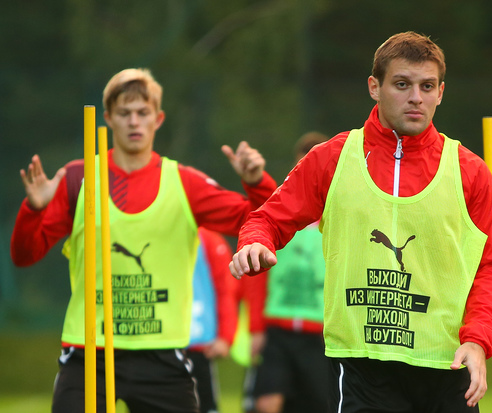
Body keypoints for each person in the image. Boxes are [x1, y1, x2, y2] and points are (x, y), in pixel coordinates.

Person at [229, 31, 492, 412]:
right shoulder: (331, 158)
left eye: (427, 86)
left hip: (446, 364)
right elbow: (268, 218)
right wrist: (256, 240)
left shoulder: (469, 171)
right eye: (402, 84)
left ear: (441, 92)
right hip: (361, 367)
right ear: (374, 87)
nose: (416, 97)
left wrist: (477, 339)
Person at [10, 68, 277, 413]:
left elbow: (260, 219)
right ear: (108, 118)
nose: (134, 122)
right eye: (124, 113)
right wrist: (33, 208)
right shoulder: (78, 178)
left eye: (142, 112)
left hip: (162, 353)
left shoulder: (185, 182)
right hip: (90, 350)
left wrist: (256, 182)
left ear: (158, 118)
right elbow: (25, 255)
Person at [241, 132, 330, 413]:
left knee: (318, 404)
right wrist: (256, 328)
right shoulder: (281, 217)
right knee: (267, 402)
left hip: (320, 335)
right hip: (278, 330)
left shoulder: (338, 219)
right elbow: (258, 278)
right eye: (305, 166)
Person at [187, 227, 239, 413]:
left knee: (204, 405)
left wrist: (225, 336)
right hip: (161, 345)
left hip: (200, 346)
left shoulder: (209, 240)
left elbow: (226, 290)